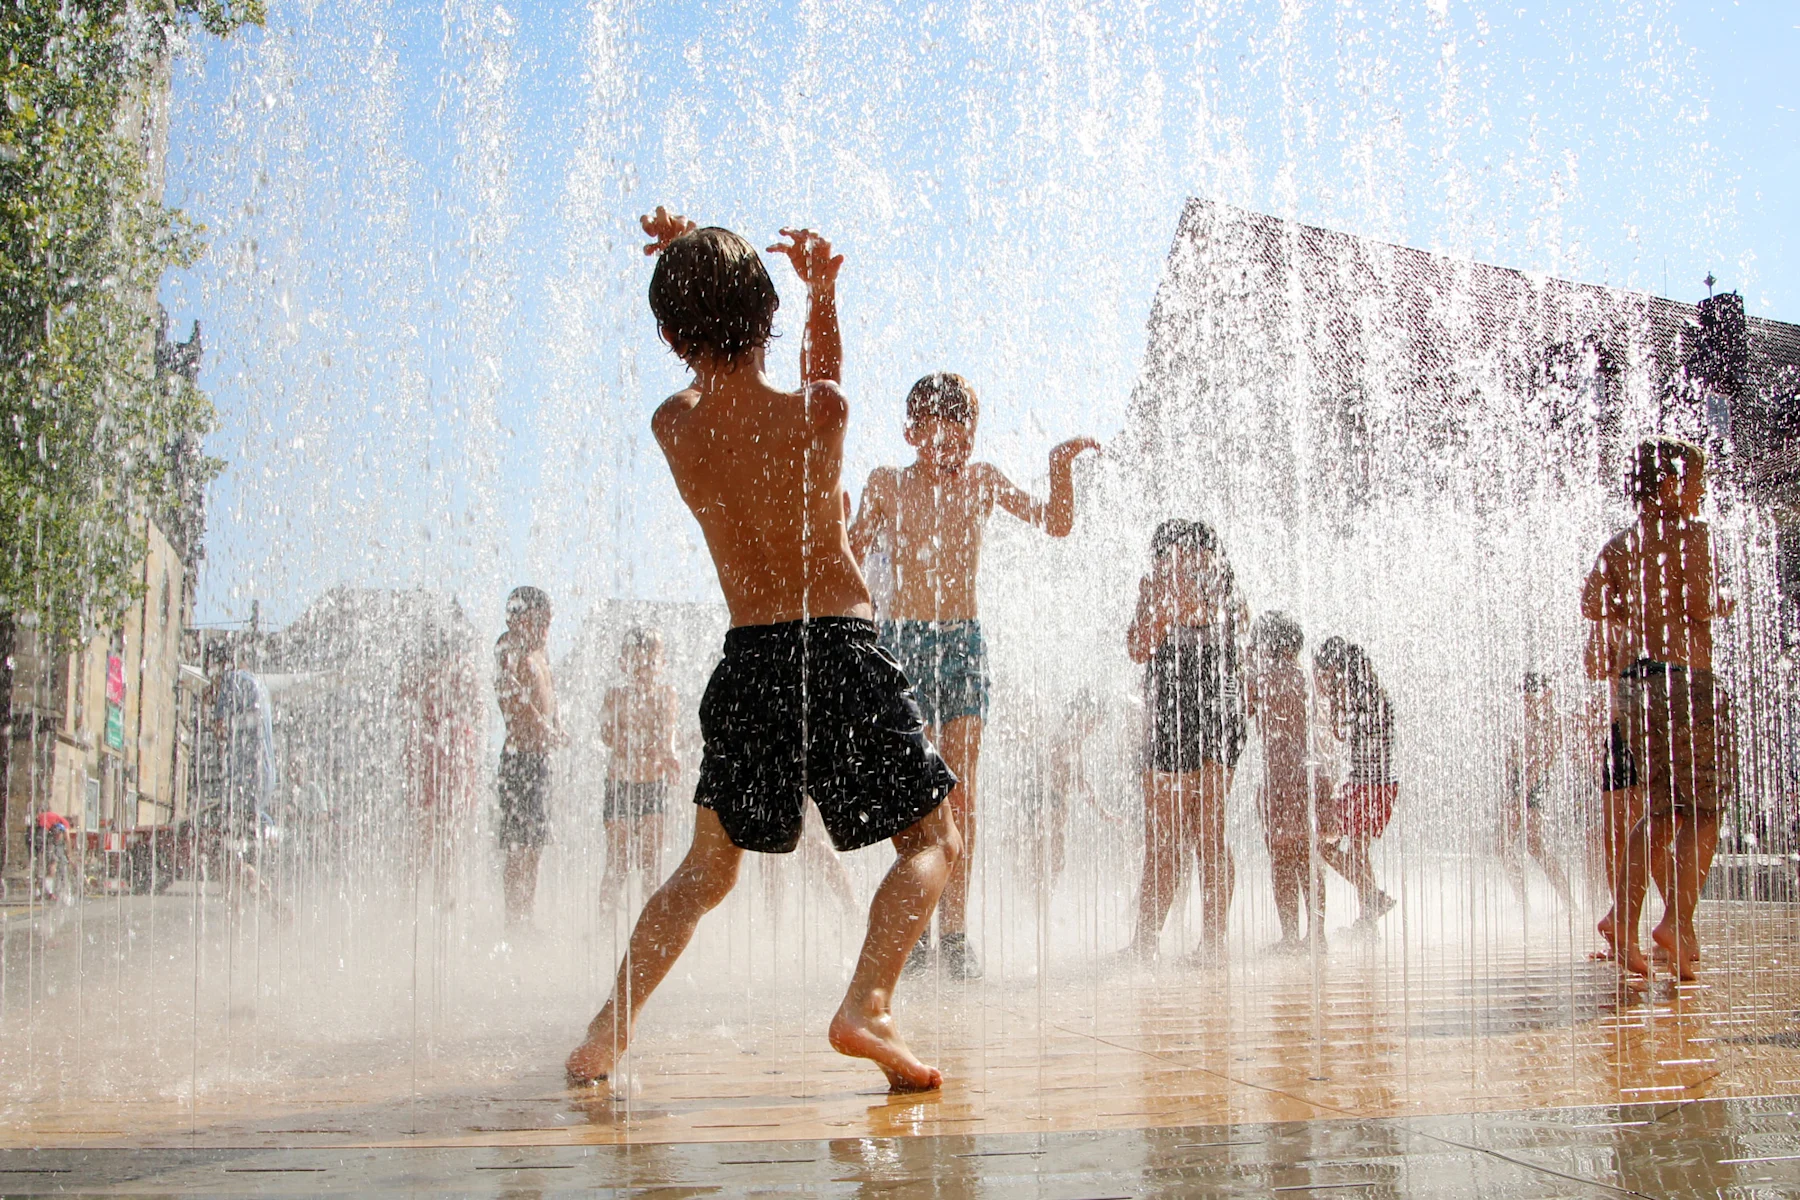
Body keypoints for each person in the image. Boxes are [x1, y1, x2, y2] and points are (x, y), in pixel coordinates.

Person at [565, 210, 961, 1092]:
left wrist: (682, 256)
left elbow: (710, 368)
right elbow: (826, 372)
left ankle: (606, 1032)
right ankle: (869, 1006)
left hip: (750, 662)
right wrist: (824, 293)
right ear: (770, 315)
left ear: (669, 336)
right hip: (843, 651)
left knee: (707, 870)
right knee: (933, 839)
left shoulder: (675, 426)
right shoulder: (820, 416)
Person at [849, 374, 1098, 980]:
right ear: (911, 432)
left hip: (962, 645)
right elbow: (850, 557)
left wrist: (1058, 465)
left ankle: (955, 935)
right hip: (902, 646)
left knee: (962, 795)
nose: (949, 453)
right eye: (936, 438)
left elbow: (1056, 522)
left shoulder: (982, 480)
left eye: (960, 440)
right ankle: (916, 932)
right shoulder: (885, 484)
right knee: (912, 796)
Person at [1582, 437, 1734, 981]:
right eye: (1695, 480)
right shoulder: (1689, 536)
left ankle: (1624, 918)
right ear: (1670, 484)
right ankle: (1676, 921)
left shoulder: (1621, 543)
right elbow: (1696, 602)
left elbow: (1592, 602)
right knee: (1705, 811)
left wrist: (1635, 607)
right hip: (1684, 679)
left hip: (1636, 687)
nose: (1701, 491)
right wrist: (1723, 601)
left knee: (1662, 811)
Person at [1123, 519, 1249, 964]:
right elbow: (1137, 647)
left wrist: (1178, 601)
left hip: (1212, 709)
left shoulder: (1225, 588)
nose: (1183, 565)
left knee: (1207, 832)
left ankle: (1211, 941)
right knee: (1169, 837)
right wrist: (1161, 604)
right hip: (1174, 711)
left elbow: (1239, 645)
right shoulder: (1156, 587)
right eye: (1172, 559)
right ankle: (1147, 942)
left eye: (1196, 557)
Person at [1246, 611, 1322, 951]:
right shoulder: (1303, 678)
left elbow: (1241, 709)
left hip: (1279, 775)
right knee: (1307, 855)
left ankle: (1291, 935)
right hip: (1308, 771)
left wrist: (1245, 661)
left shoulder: (1264, 677)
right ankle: (1316, 934)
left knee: (1281, 858)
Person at [1312, 637, 1399, 926]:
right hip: (1380, 786)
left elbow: (1338, 733)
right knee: (1359, 853)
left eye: (1324, 672)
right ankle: (1368, 921)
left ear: (1336, 669)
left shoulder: (1356, 699)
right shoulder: (1373, 694)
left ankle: (1371, 895)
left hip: (1366, 786)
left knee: (1324, 844)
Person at [597, 628, 680, 908]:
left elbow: (666, 736)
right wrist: (649, 747)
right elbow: (609, 737)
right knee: (618, 863)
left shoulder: (666, 695)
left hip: (652, 787)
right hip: (620, 785)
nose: (643, 670)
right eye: (636, 663)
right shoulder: (615, 696)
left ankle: (651, 935)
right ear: (624, 662)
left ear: (661, 663)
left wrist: (667, 753)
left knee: (650, 867)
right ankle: (604, 932)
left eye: (650, 663)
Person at [405, 604, 482, 906]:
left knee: (426, 829)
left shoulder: (422, 672)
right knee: (448, 829)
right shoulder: (462, 667)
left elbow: (407, 700)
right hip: (453, 750)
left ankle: (409, 895)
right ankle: (443, 895)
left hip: (430, 750)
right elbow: (476, 708)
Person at [495, 586, 564, 927]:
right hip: (518, 759)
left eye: (549, 623)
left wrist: (558, 724)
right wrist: (542, 726)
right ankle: (513, 917)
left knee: (534, 845)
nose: (546, 630)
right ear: (520, 619)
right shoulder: (509, 647)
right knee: (516, 845)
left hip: (539, 762)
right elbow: (517, 697)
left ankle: (528, 914)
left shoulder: (541, 652)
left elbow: (551, 691)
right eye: (541, 622)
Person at [1499, 671, 1574, 909]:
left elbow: (1548, 755)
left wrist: (1526, 788)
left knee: (1534, 844)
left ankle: (1567, 902)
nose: (1525, 701)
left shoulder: (1549, 719)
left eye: (1530, 695)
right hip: (1518, 783)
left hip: (1534, 785)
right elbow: (1513, 756)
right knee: (1504, 844)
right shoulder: (1523, 721)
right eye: (1523, 696)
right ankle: (1523, 902)